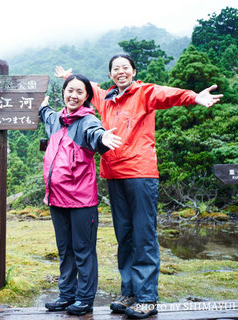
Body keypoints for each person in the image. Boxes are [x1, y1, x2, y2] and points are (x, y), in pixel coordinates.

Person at [55, 55, 222, 319]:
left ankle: (146, 298)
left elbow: (168, 95)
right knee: (125, 236)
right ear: (111, 74)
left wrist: (193, 97)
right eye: (115, 69)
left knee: (143, 235)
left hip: (140, 173)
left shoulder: (144, 92)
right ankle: (129, 292)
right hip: (114, 174)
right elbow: (89, 88)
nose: (120, 72)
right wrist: (68, 77)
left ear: (133, 71)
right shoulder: (106, 98)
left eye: (125, 68)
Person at [39, 74, 122, 316]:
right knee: (65, 249)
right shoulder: (56, 119)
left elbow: (96, 134)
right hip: (56, 198)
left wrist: (103, 137)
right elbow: (44, 113)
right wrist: (42, 105)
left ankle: (84, 299)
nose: (73, 95)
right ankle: (66, 295)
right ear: (63, 92)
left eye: (79, 92)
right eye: (70, 90)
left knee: (83, 250)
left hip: (81, 201)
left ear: (86, 97)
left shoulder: (87, 121)